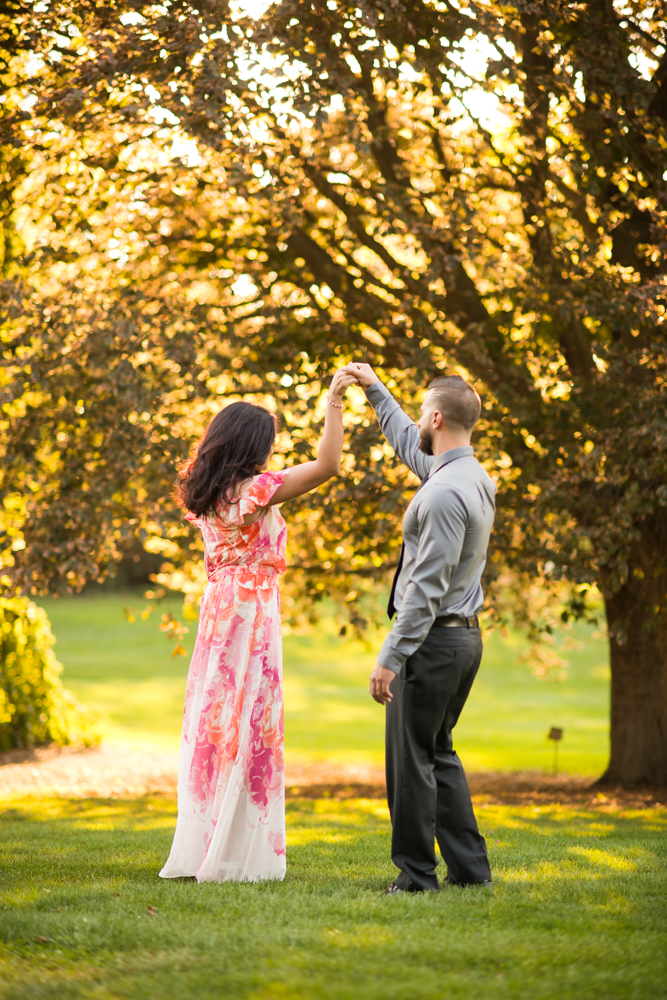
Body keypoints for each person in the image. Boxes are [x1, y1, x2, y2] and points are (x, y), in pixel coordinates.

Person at [160, 369, 357, 883]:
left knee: (216, 720)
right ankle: (234, 853)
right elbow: (328, 465)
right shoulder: (254, 491)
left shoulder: (208, 496)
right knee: (251, 717)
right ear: (253, 446)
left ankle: (210, 845)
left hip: (220, 609)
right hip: (249, 612)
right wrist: (334, 401)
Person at [345, 362, 496, 893]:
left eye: (422, 413)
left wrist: (391, 656)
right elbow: (411, 443)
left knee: (410, 763)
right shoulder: (468, 475)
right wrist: (373, 387)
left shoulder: (441, 494)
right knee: (439, 753)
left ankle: (415, 876)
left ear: (436, 416)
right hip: (462, 638)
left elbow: (425, 590)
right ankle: (471, 872)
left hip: (432, 642)